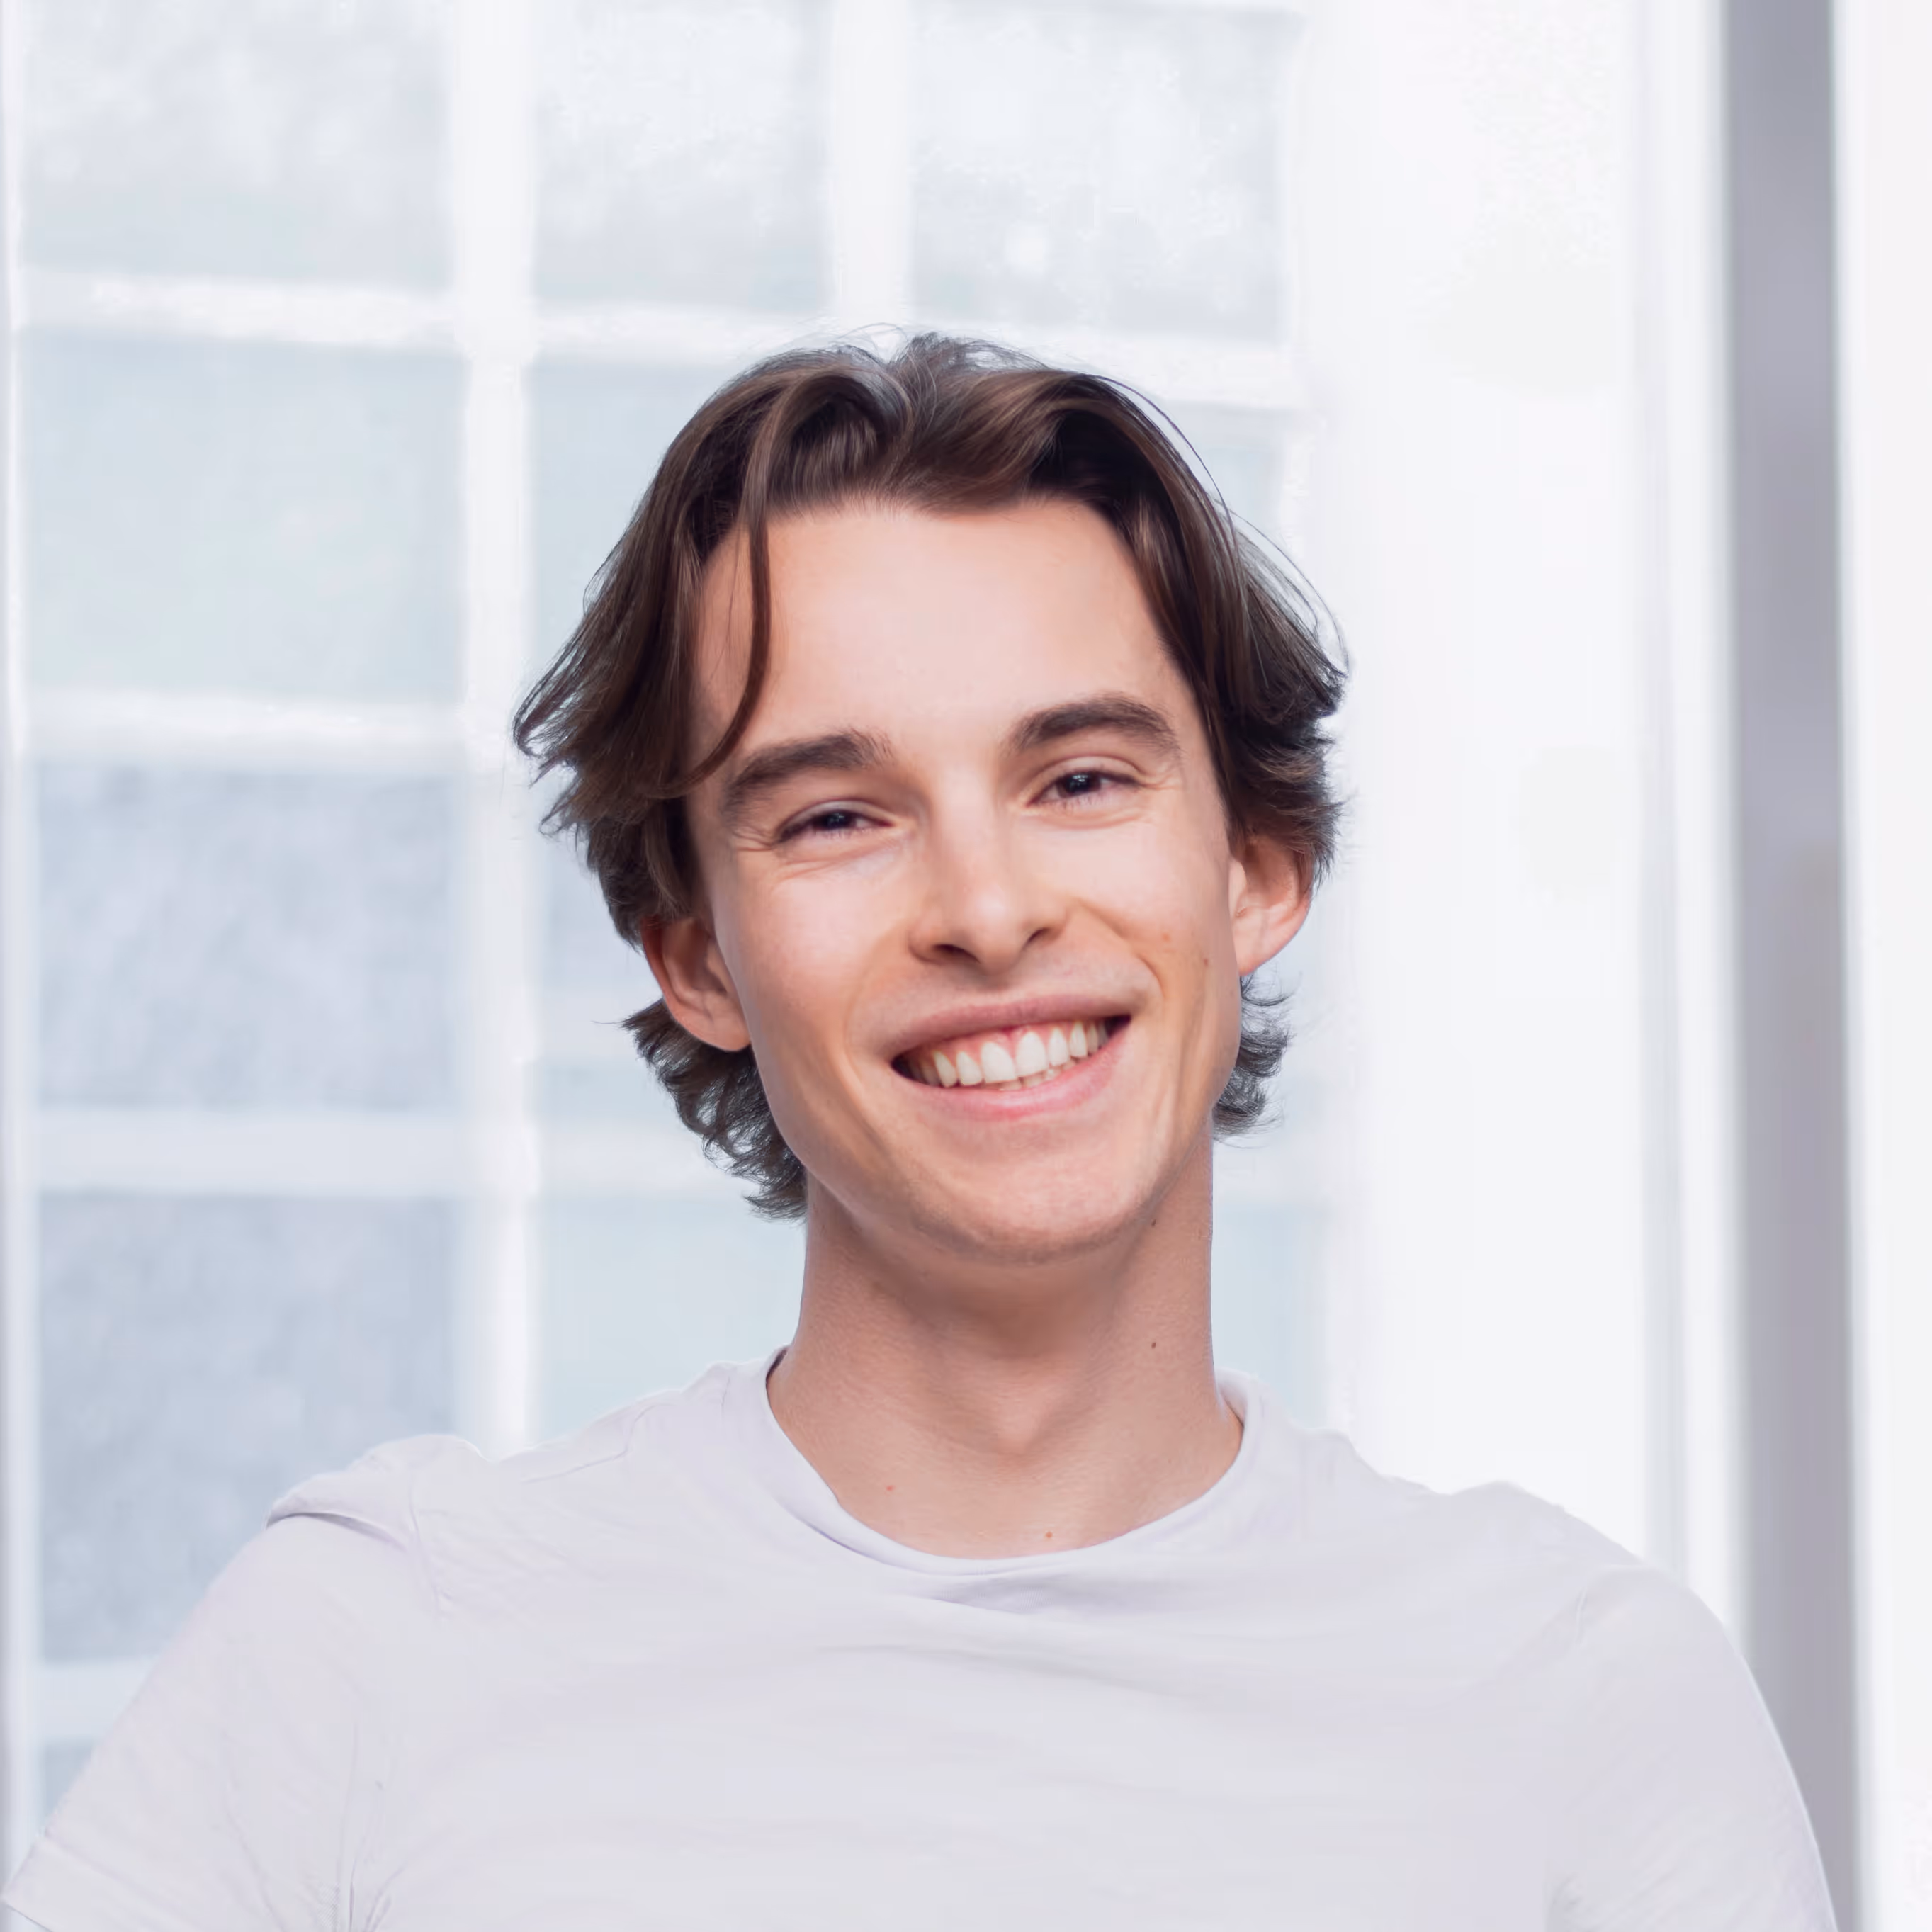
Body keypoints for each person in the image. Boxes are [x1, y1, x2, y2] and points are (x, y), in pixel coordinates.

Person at [4, 334, 1835, 1930]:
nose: (984, 901)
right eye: (834, 817)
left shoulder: (1582, 1703)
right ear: (696, 951)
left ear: (1255, 864)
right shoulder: (371, 1655)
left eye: (1080, 779)